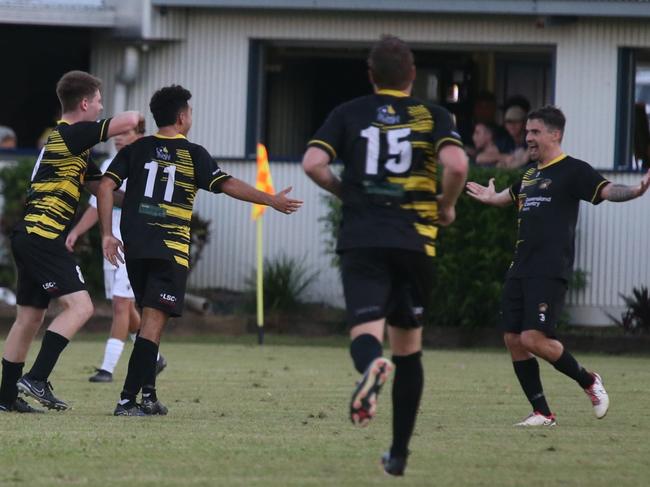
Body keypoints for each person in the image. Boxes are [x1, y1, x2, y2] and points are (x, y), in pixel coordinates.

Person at [302, 36, 468, 476]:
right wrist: (446, 206)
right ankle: (397, 455)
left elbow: (312, 163)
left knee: (366, 331)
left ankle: (371, 365)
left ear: (371, 77)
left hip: (363, 238)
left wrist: (346, 192)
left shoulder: (349, 112)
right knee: (409, 350)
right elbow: (457, 166)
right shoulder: (434, 115)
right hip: (414, 240)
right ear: (412, 76)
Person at [98, 84, 302, 417]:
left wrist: (108, 233)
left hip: (135, 245)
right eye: (190, 111)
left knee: (152, 320)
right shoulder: (194, 154)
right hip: (169, 248)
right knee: (152, 322)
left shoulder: (136, 148)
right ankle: (126, 401)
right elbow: (228, 183)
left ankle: (148, 396)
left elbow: (105, 185)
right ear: (182, 117)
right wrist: (272, 200)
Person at [466, 105, 650, 426]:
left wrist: (634, 190)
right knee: (512, 338)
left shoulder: (573, 170)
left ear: (556, 134)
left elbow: (607, 190)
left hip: (549, 268)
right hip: (520, 267)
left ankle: (589, 381)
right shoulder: (530, 174)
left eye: (535, 132)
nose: (529, 138)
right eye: (527, 132)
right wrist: (490, 196)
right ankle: (542, 412)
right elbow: (511, 196)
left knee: (533, 339)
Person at [0, 70, 142, 413]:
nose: (101, 107)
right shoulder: (72, 134)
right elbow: (130, 119)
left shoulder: (76, 148)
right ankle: (36, 378)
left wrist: (125, 218)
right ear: (84, 103)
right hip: (43, 236)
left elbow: (104, 191)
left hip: (29, 236)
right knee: (81, 307)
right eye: (98, 101)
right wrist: (146, 126)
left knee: (29, 318)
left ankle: (5, 397)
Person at [65, 121, 167, 383]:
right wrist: (76, 232)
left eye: (126, 133)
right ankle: (154, 358)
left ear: (140, 135)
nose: (119, 138)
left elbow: (159, 207)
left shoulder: (150, 164)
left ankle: (107, 369)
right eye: (117, 134)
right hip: (110, 240)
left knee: (122, 303)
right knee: (122, 305)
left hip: (135, 242)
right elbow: (97, 203)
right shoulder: (111, 162)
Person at [498, 103, 530, 169]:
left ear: (524, 123)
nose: (512, 125)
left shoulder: (530, 139)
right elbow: (481, 157)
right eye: (509, 122)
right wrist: (504, 156)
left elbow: (523, 161)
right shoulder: (505, 141)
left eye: (516, 121)